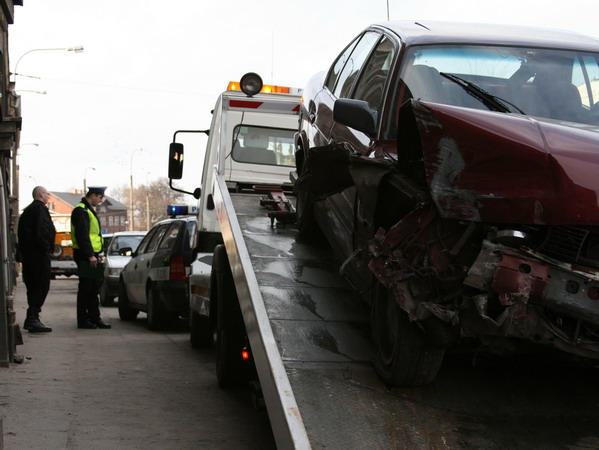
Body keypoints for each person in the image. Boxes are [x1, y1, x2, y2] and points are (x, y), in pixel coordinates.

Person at [71, 186, 111, 329]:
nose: (101, 201)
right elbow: (83, 236)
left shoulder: (88, 210)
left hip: (91, 254)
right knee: (86, 289)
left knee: (94, 288)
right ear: (92, 195)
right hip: (85, 255)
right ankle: (83, 320)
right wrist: (89, 255)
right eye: (100, 197)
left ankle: (95, 318)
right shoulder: (81, 210)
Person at [17, 186, 56, 333]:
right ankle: (32, 318)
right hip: (38, 255)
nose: (48, 197)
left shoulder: (27, 211)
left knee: (33, 286)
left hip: (29, 256)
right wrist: (46, 247)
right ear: (41, 195)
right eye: (47, 194)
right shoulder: (39, 209)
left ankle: (33, 318)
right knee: (41, 285)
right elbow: (42, 230)